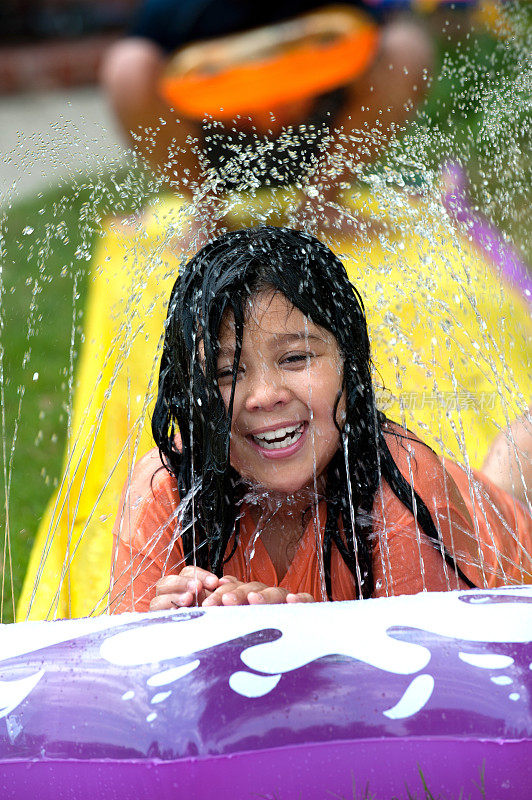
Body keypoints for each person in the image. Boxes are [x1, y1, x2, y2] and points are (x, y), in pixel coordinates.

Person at [109, 226, 531, 613]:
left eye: (295, 358)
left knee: (513, 486)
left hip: (504, 546)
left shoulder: (408, 500)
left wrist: (304, 639)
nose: (264, 396)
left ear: (352, 364)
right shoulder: (165, 495)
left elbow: (425, 681)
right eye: (225, 373)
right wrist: (166, 632)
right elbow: (129, 678)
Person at [100, 1, 433, 205]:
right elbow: (136, 73)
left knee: (407, 47)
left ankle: (322, 205)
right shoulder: (175, 9)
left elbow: (377, 36)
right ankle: (206, 214)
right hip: (219, 152)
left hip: (317, 142)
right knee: (127, 66)